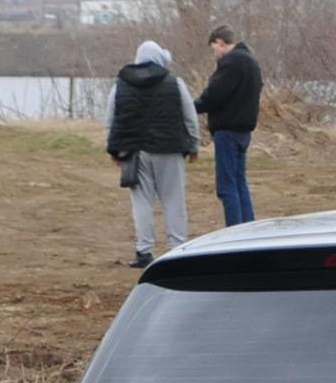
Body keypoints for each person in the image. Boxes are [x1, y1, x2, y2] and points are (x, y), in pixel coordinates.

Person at [105, 40, 198, 269]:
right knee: (174, 201)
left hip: (135, 152)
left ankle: (144, 252)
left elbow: (111, 118)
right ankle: (178, 249)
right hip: (170, 150)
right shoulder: (174, 82)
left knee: (141, 203)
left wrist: (114, 149)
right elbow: (190, 116)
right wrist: (193, 144)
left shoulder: (121, 84)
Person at [196, 24, 263, 228]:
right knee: (239, 182)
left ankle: (233, 233)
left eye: (214, 48)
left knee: (226, 187)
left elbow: (215, 94)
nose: (215, 54)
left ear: (219, 42)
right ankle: (248, 229)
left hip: (228, 130)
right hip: (244, 131)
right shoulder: (251, 62)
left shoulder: (231, 62)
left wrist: (192, 107)